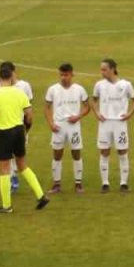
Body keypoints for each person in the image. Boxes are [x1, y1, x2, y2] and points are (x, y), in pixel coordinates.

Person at [0, 63, 48, 213]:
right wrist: (25, 128)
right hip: (19, 131)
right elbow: (29, 115)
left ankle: (6, 206)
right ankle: (41, 196)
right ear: (11, 76)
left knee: (4, 169)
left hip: (4, 132)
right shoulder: (20, 93)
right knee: (22, 165)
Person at [44, 63, 90, 194]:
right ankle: (56, 184)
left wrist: (78, 116)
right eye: (61, 75)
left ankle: (78, 183)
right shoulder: (53, 89)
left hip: (74, 127)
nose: (64, 77)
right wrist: (51, 123)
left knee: (76, 153)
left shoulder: (79, 89)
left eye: (66, 75)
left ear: (72, 74)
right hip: (58, 126)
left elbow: (87, 107)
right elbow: (46, 107)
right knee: (57, 155)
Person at [93, 58, 134, 192]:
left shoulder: (126, 85)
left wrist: (129, 114)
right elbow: (93, 100)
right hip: (105, 123)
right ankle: (105, 183)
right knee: (104, 152)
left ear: (112, 69)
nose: (102, 72)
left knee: (122, 152)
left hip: (120, 124)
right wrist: (97, 113)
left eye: (104, 69)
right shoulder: (99, 85)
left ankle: (123, 183)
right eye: (101, 69)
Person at [0, 61, 33, 191]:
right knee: (7, 157)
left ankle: (14, 176)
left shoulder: (24, 86)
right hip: (5, 125)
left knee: (18, 157)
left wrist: (27, 127)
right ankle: (13, 177)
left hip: (20, 125)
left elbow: (29, 108)